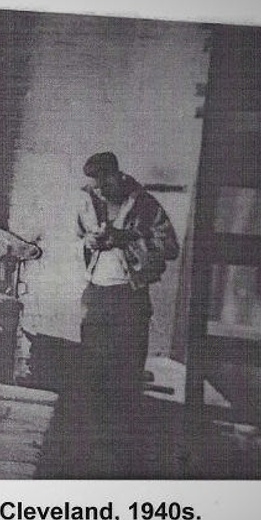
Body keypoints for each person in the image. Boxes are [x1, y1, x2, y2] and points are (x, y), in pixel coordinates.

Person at [75, 151, 179, 420]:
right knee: (92, 367)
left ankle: (123, 433)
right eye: (96, 185)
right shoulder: (90, 200)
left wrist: (125, 240)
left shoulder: (145, 204)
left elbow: (169, 247)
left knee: (127, 371)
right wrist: (88, 241)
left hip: (129, 296)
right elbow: (77, 236)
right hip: (96, 293)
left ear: (118, 176)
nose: (100, 190)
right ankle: (93, 430)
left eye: (105, 183)